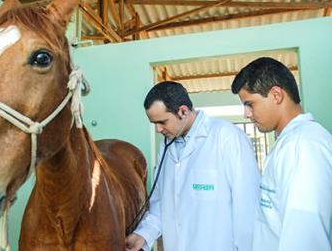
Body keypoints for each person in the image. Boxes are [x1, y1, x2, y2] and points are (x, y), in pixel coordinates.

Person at [125, 81, 260, 251]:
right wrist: (143, 235)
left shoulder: (226, 137)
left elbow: (248, 209)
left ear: (183, 111)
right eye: (154, 124)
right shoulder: (166, 147)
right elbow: (160, 203)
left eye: (163, 122)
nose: (158, 130)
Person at [231, 57, 332, 251]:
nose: (246, 114)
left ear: (276, 95)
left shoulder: (303, 147)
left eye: (250, 104)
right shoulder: (290, 143)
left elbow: (305, 239)